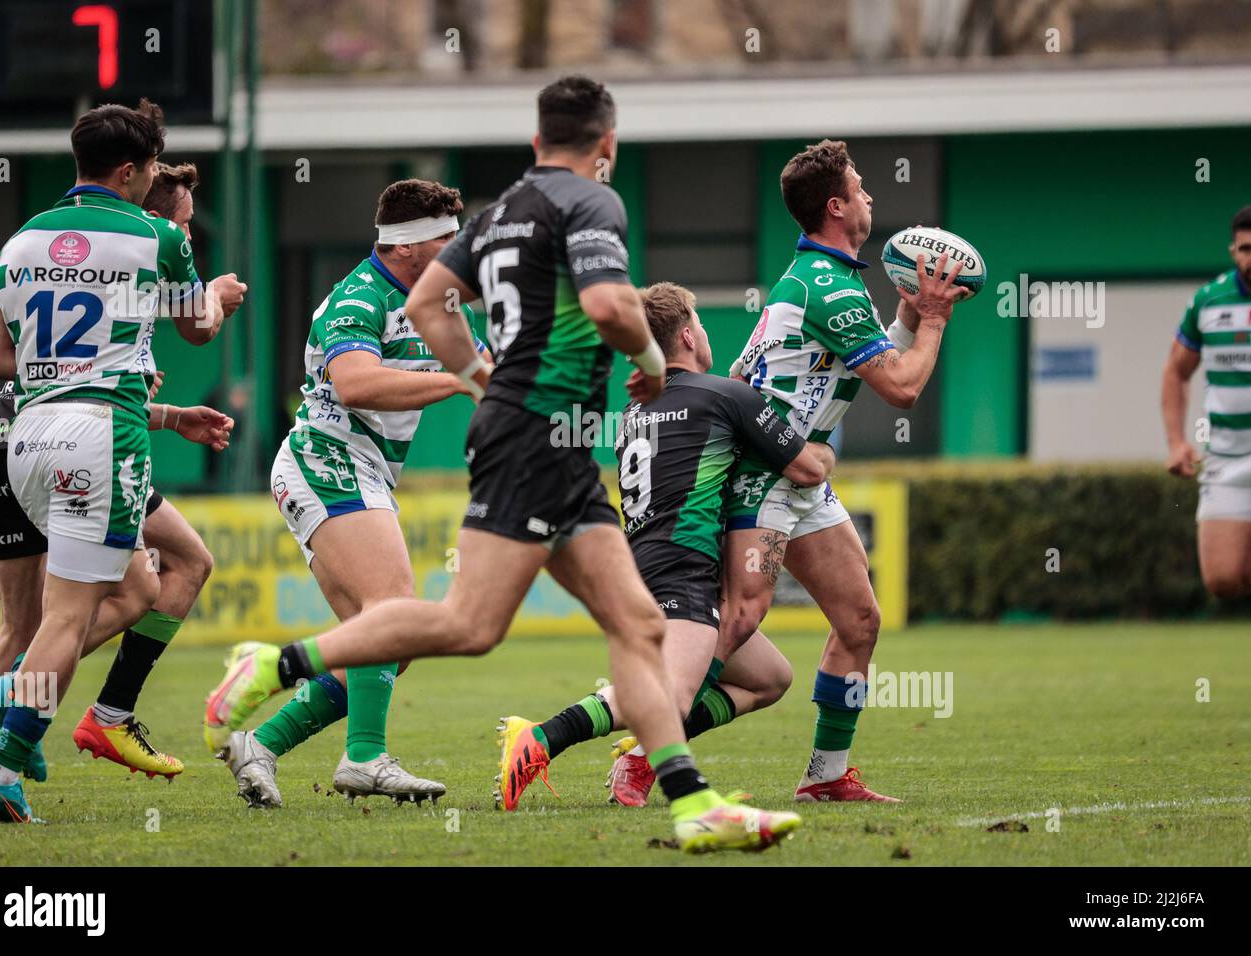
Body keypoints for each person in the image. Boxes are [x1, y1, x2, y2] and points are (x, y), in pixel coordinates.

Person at [205, 76, 801, 852]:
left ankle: (693, 804)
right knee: (467, 624)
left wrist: (485, 381)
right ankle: (276, 664)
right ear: (607, 144)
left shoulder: (499, 214)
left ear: (533, 143)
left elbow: (427, 310)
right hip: (534, 438)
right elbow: (610, 307)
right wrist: (653, 362)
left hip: (540, 437)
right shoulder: (593, 200)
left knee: (638, 623)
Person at [0, 99, 245, 823]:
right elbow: (196, 331)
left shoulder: (20, 242)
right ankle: (1, 745)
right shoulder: (157, 235)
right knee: (70, 618)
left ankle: (3, 742)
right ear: (130, 171)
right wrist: (214, 294)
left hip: (24, 436)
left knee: (108, 597)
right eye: (150, 167)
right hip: (101, 435)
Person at [501, 282, 833, 807]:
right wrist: (824, 447)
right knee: (669, 698)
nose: (704, 333)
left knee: (770, 678)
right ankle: (543, 735)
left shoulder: (638, 409)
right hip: (683, 567)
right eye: (699, 325)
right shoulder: (726, 395)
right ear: (686, 334)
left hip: (645, 562)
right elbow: (809, 470)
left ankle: (640, 756)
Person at [211, 180, 486, 807]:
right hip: (325, 460)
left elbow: (490, 375)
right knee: (392, 606)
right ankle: (365, 759)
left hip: (361, 470)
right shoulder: (359, 296)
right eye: (448, 238)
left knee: (388, 643)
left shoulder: (444, 303)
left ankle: (262, 745)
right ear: (409, 246)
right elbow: (357, 383)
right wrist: (455, 379)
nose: (458, 250)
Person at [720, 140, 965, 803]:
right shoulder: (828, 288)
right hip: (768, 478)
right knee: (740, 621)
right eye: (860, 190)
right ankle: (637, 742)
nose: (870, 198)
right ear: (836, 207)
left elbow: (748, 375)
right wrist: (936, 320)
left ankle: (826, 778)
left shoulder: (818, 282)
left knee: (858, 620)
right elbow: (903, 388)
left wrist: (911, 312)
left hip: (801, 479)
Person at [1162, 204, 1251, 599]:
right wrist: (1176, 442)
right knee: (1223, 579)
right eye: (1246, 249)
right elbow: (1176, 372)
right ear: (1233, 251)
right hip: (1227, 457)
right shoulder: (1209, 301)